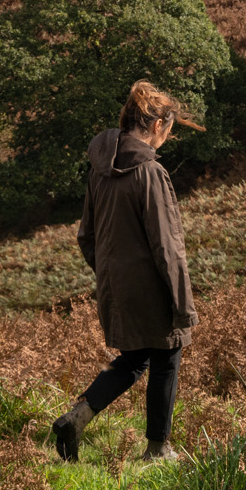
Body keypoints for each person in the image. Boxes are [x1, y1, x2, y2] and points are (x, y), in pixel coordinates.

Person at [52, 81, 199, 464]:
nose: (166, 138)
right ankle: (158, 449)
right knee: (168, 355)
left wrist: (111, 273)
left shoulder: (99, 171)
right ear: (155, 126)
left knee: (134, 358)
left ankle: (76, 417)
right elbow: (168, 248)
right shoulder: (149, 172)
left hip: (115, 287)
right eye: (168, 130)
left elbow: (86, 236)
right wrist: (183, 304)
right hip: (152, 287)